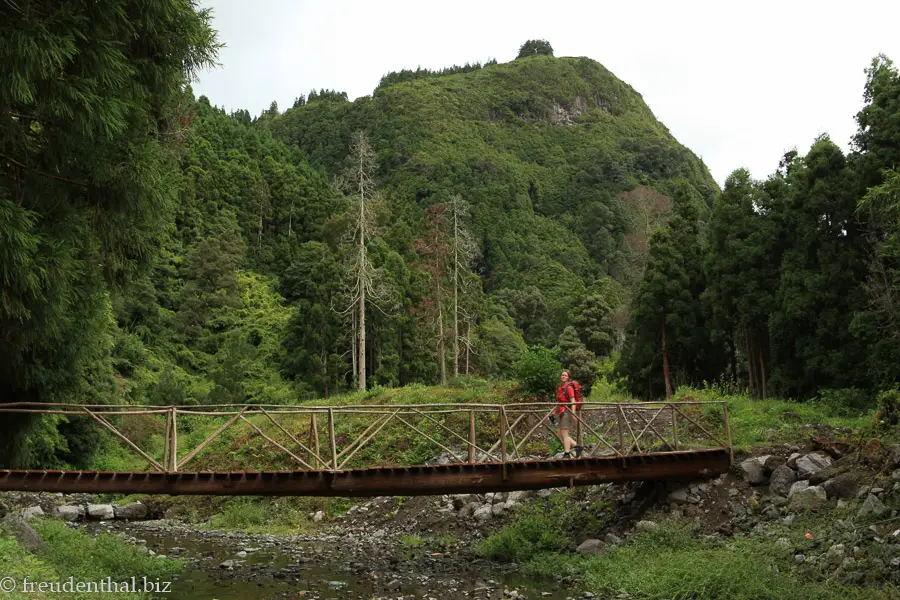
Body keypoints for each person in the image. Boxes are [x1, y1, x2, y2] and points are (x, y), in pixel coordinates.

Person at [555, 370, 583, 458]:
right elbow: (559, 401)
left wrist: (573, 414)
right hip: (561, 411)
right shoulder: (560, 387)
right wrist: (553, 413)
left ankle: (566, 454)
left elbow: (573, 400)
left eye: (565, 375)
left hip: (567, 412)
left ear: (568, 378)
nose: (563, 376)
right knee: (559, 434)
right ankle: (576, 446)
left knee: (564, 434)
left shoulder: (569, 387)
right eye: (562, 375)